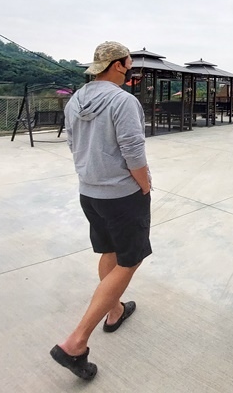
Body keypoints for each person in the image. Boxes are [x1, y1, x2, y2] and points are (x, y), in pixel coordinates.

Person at [50, 42, 152, 381]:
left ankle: (115, 311)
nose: (130, 68)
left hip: (89, 192)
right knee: (130, 260)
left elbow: (72, 144)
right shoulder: (124, 101)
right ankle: (75, 342)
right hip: (122, 194)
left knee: (109, 250)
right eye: (129, 63)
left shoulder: (76, 99)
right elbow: (133, 149)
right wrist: (145, 183)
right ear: (120, 65)